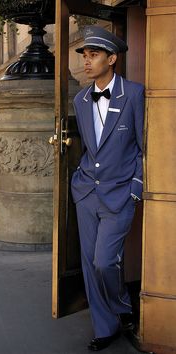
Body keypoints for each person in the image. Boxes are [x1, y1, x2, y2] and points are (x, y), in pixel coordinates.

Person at [71, 25, 144, 351]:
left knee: (104, 261)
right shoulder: (80, 99)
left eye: (94, 55)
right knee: (90, 264)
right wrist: (79, 185)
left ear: (112, 59)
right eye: (85, 56)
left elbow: (145, 148)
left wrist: (135, 188)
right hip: (87, 193)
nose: (87, 62)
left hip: (119, 193)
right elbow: (90, 149)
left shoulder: (135, 94)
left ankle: (123, 307)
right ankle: (105, 327)